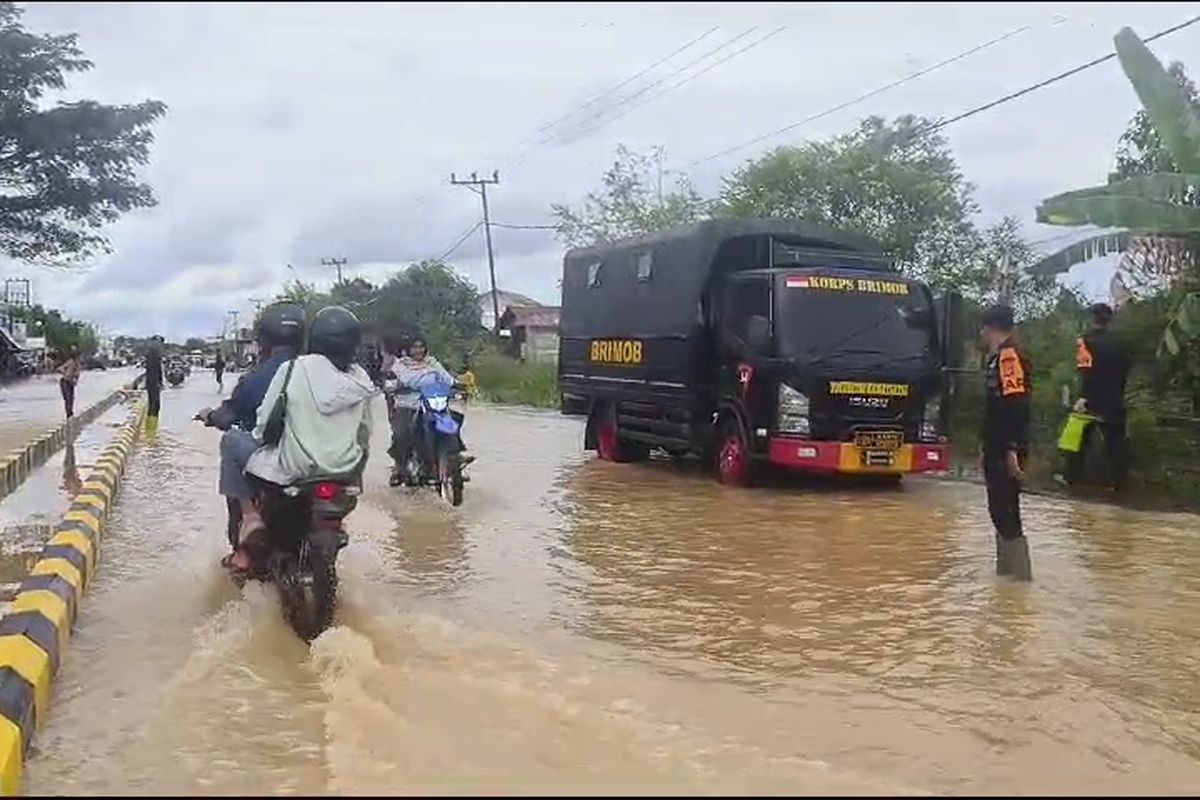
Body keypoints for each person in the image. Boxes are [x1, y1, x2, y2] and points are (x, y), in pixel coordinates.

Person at [230, 306, 377, 570]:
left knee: (231, 440)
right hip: (345, 475)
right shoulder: (361, 378)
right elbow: (365, 432)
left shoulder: (292, 369)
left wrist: (263, 438)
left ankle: (250, 524)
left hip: (296, 471)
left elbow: (266, 421)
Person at [195, 303, 305, 560]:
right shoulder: (319, 372)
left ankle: (244, 538)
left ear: (264, 337)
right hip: (313, 462)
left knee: (232, 441)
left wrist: (210, 416)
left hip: (272, 463)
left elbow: (229, 415)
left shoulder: (256, 378)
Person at [979, 304, 1032, 581]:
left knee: (1006, 510)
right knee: (999, 509)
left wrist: (1013, 448)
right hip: (997, 445)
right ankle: (1006, 580)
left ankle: (1020, 581)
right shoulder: (998, 356)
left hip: (1006, 447)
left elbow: (1016, 404)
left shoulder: (1009, 356)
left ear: (989, 328)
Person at [384, 336, 468, 486]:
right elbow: (410, 380)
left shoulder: (432, 362)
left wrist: (457, 384)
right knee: (402, 434)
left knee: (451, 421)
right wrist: (428, 379)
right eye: (414, 347)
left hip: (432, 402)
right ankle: (400, 466)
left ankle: (454, 455)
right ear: (408, 350)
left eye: (421, 346)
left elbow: (446, 378)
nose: (418, 350)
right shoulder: (400, 365)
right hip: (408, 404)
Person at [1068, 303, 1132, 491]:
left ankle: (1072, 480)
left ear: (1092, 318)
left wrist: (1084, 396)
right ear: (1110, 319)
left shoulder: (1085, 341)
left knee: (1075, 440)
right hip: (1114, 398)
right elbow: (1125, 371)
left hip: (1089, 399)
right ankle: (1120, 485)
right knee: (1115, 443)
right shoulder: (1121, 343)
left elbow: (1086, 370)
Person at [58, 348, 80, 419]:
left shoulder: (76, 363)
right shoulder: (71, 362)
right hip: (65, 381)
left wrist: (74, 378)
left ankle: (70, 414)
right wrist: (66, 374)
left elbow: (77, 374)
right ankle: (69, 414)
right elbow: (60, 368)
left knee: (70, 398)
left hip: (69, 382)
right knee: (68, 398)